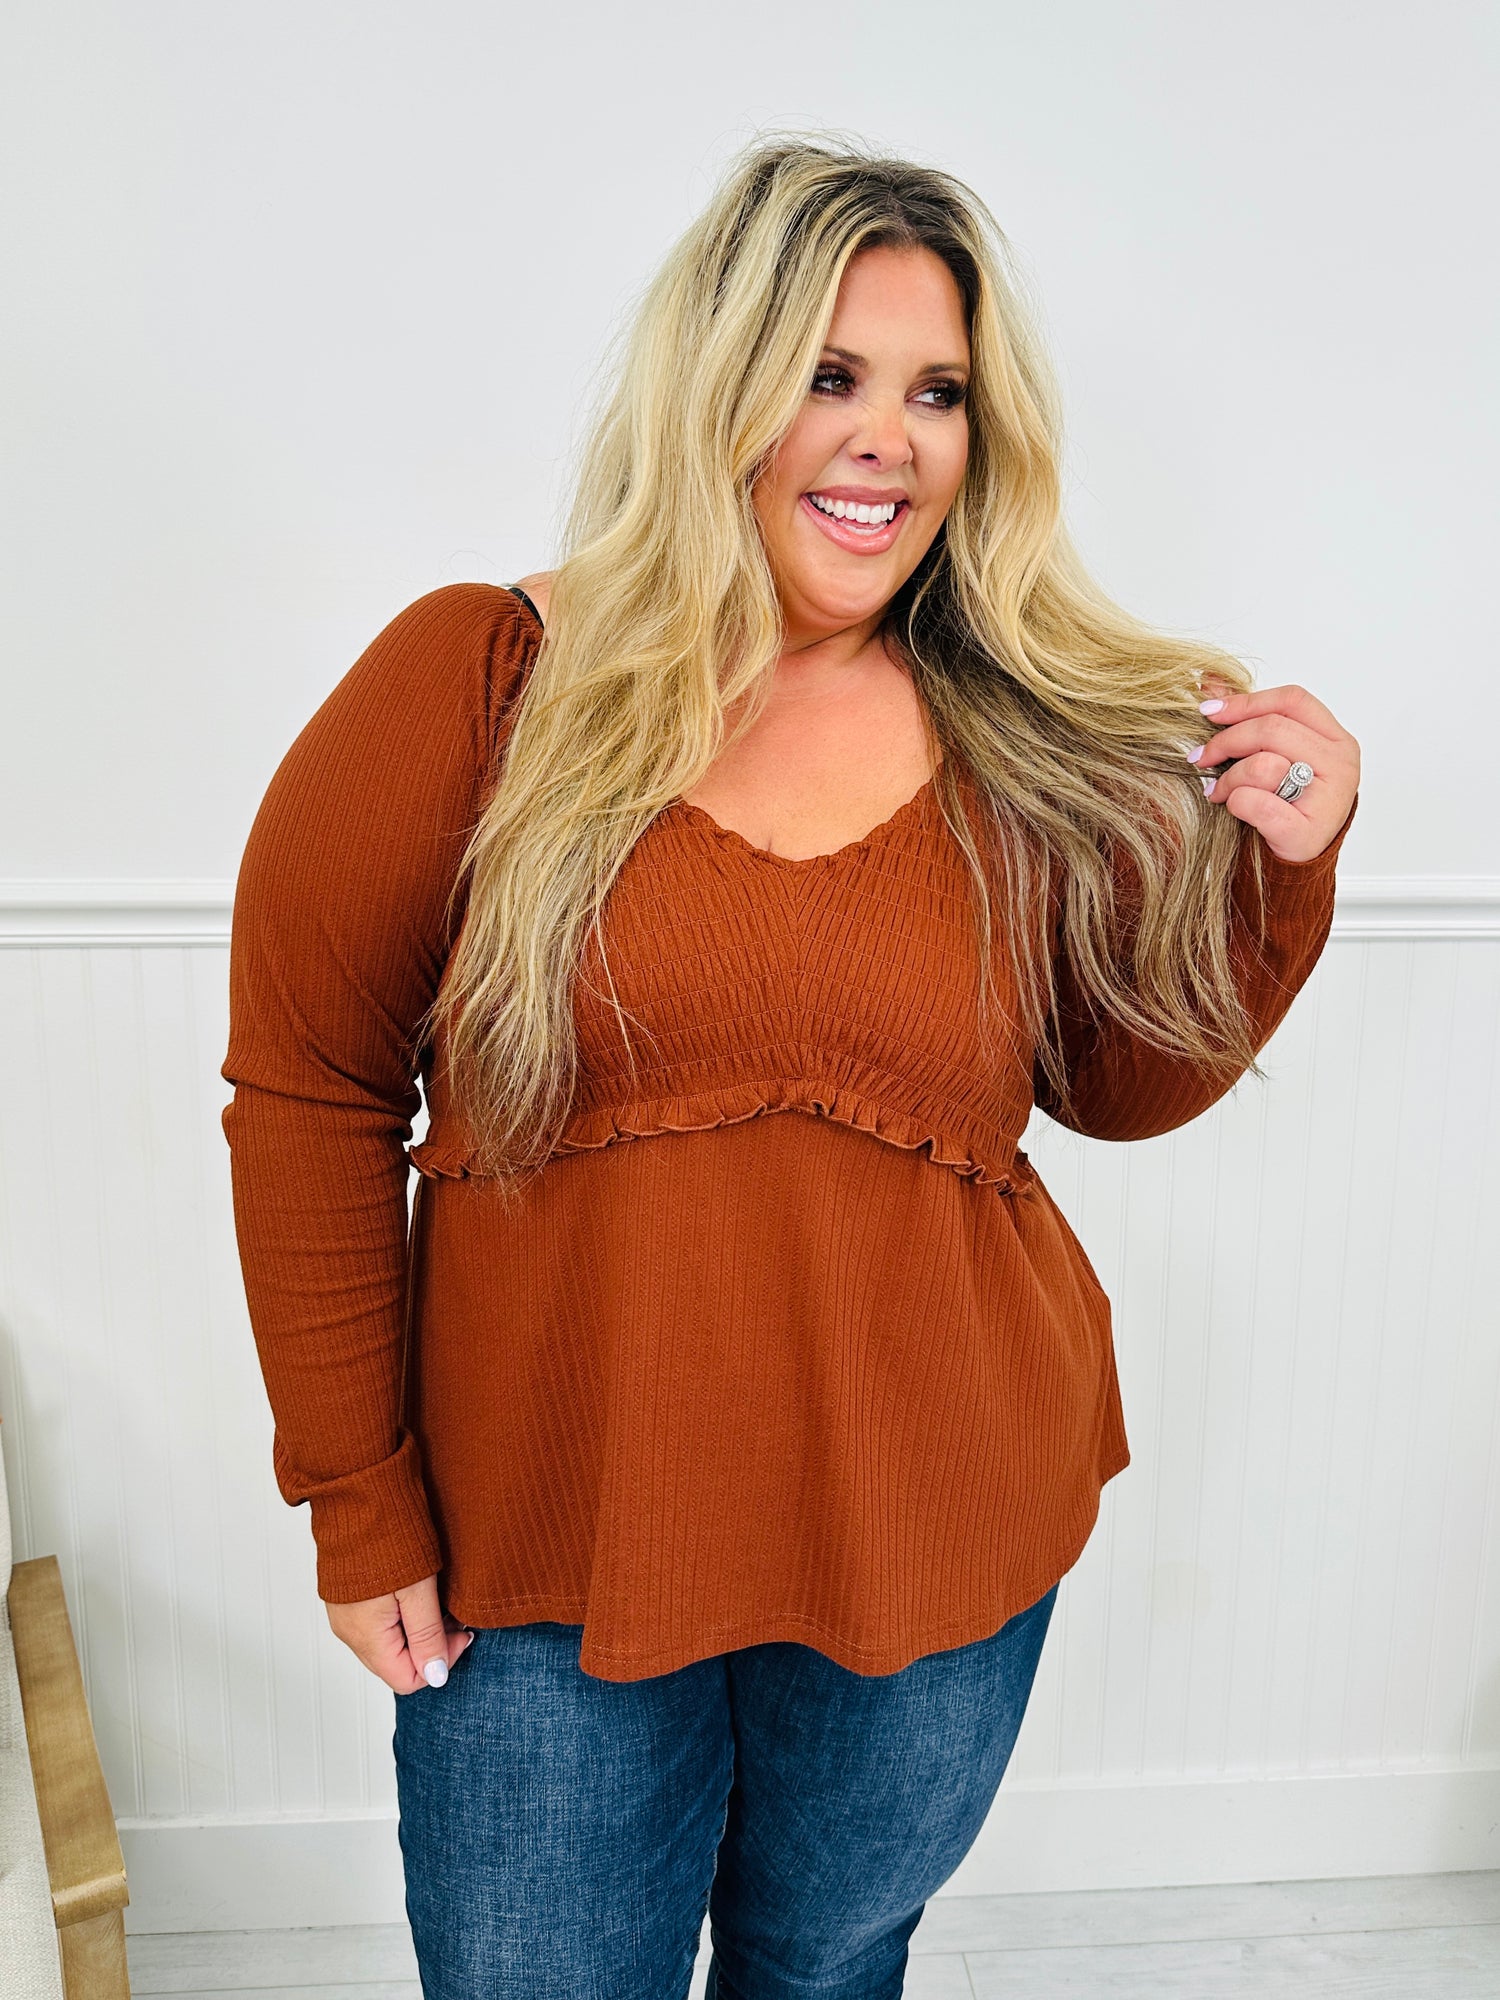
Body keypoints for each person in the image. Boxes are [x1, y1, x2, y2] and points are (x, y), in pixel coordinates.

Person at [221, 135, 1361, 1999]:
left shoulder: (1010, 732)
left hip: (934, 1535)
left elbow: (1113, 1088)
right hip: (543, 1552)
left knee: (827, 1971)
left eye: (938, 394)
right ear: (719, 383)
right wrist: (357, 1501)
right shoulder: (481, 678)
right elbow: (309, 1090)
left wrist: (1278, 880)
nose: (887, 440)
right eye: (831, 376)